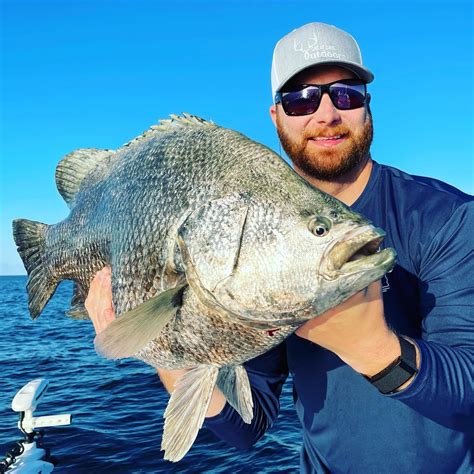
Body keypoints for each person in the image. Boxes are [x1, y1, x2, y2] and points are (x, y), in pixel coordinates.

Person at [85, 22, 473, 473]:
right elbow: (245, 427)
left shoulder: (448, 216)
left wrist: (374, 348)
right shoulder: (257, 261)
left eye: (345, 94)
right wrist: (159, 348)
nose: (326, 114)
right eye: (301, 98)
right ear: (276, 116)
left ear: (368, 107)